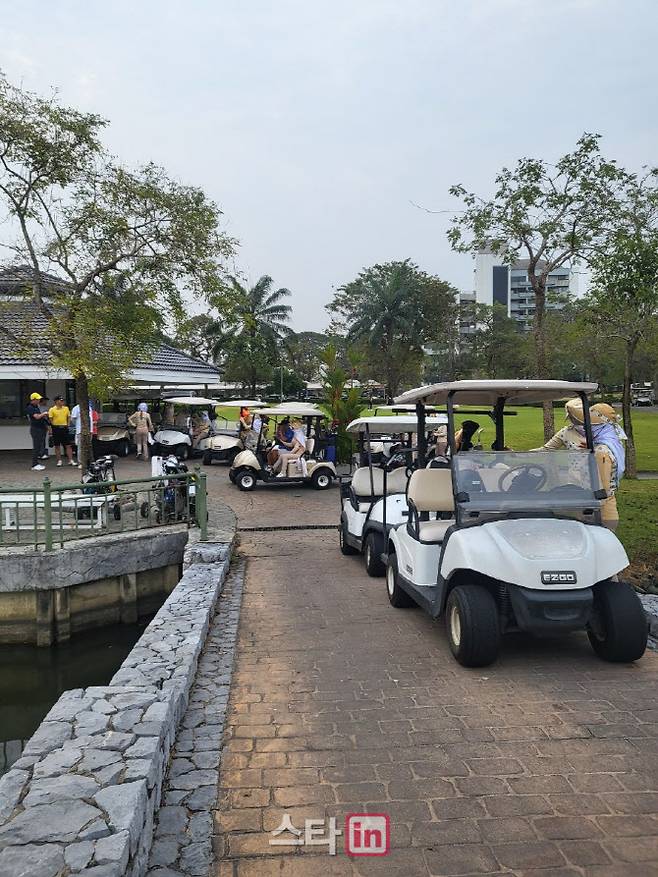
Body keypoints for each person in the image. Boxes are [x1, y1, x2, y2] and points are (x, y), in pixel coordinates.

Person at [539, 398, 626, 530]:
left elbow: (602, 488)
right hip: (587, 500)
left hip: (597, 507)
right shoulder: (607, 443)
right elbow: (546, 449)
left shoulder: (602, 451)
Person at [48, 396, 75, 467]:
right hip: (56, 428)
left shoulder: (66, 408)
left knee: (68, 445)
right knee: (57, 445)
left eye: (63, 400)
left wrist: (68, 424)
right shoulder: (52, 409)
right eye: (61, 400)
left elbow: (69, 417)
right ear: (56, 401)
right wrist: (51, 429)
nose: (62, 402)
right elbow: (50, 419)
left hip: (64, 428)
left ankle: (70, 460)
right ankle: (59, 461)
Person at [26, 392, 49, 471]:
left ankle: (36, 463)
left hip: (41, 428)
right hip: (36, 429)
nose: (39, 401)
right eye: (38, 399)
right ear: (33, 400)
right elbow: (37, 417)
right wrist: (44, 413)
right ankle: (34, 464)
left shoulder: (36, 407)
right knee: (36, 447)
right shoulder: (30, 407)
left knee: (39, 446)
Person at [70, 401, 97, 467]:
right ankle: (81, 462)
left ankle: (89, 461)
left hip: (89, 430)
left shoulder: (89, 408)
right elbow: (73, 419)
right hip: (80, 430)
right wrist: (78, 425)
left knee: (88, 446)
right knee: (80, 447)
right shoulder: (76, 408)